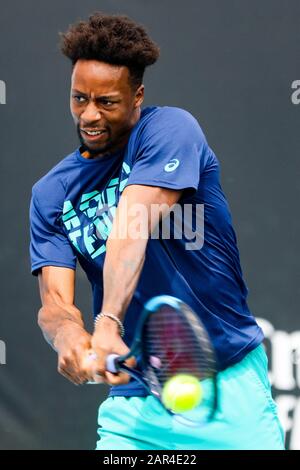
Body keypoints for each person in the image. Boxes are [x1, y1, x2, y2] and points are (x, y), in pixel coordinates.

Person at [29, 12, 284, 450]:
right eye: (79, 99)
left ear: (137, 96)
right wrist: (69, 337)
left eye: (106, 102)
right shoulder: (50, 193)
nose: (89, 115)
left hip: (228, 386)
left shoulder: (169, 130)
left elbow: (132, 224)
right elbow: (54, 303)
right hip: (133, 405)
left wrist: (107, 320)